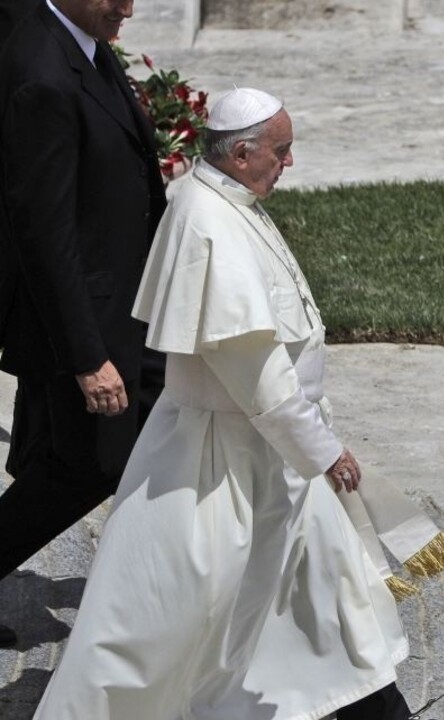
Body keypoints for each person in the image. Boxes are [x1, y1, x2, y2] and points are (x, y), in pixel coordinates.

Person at [32, 87, 444, 720]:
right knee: (172, 614)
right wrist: (321, 448)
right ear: (242, 150)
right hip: (221, 460)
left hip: (272, 452)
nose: (289, 163)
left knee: (327, 594)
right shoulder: (206, 220)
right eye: (281, 151)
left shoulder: (231, 198)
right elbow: (253, 368)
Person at [0, 0, 167, 649]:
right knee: (85, 466)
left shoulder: (83, 41)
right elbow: (45, 232)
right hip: (86, 323)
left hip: (129, 308)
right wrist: (87, 358)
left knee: (166, 430)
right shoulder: (42, 72)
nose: (128, 7)